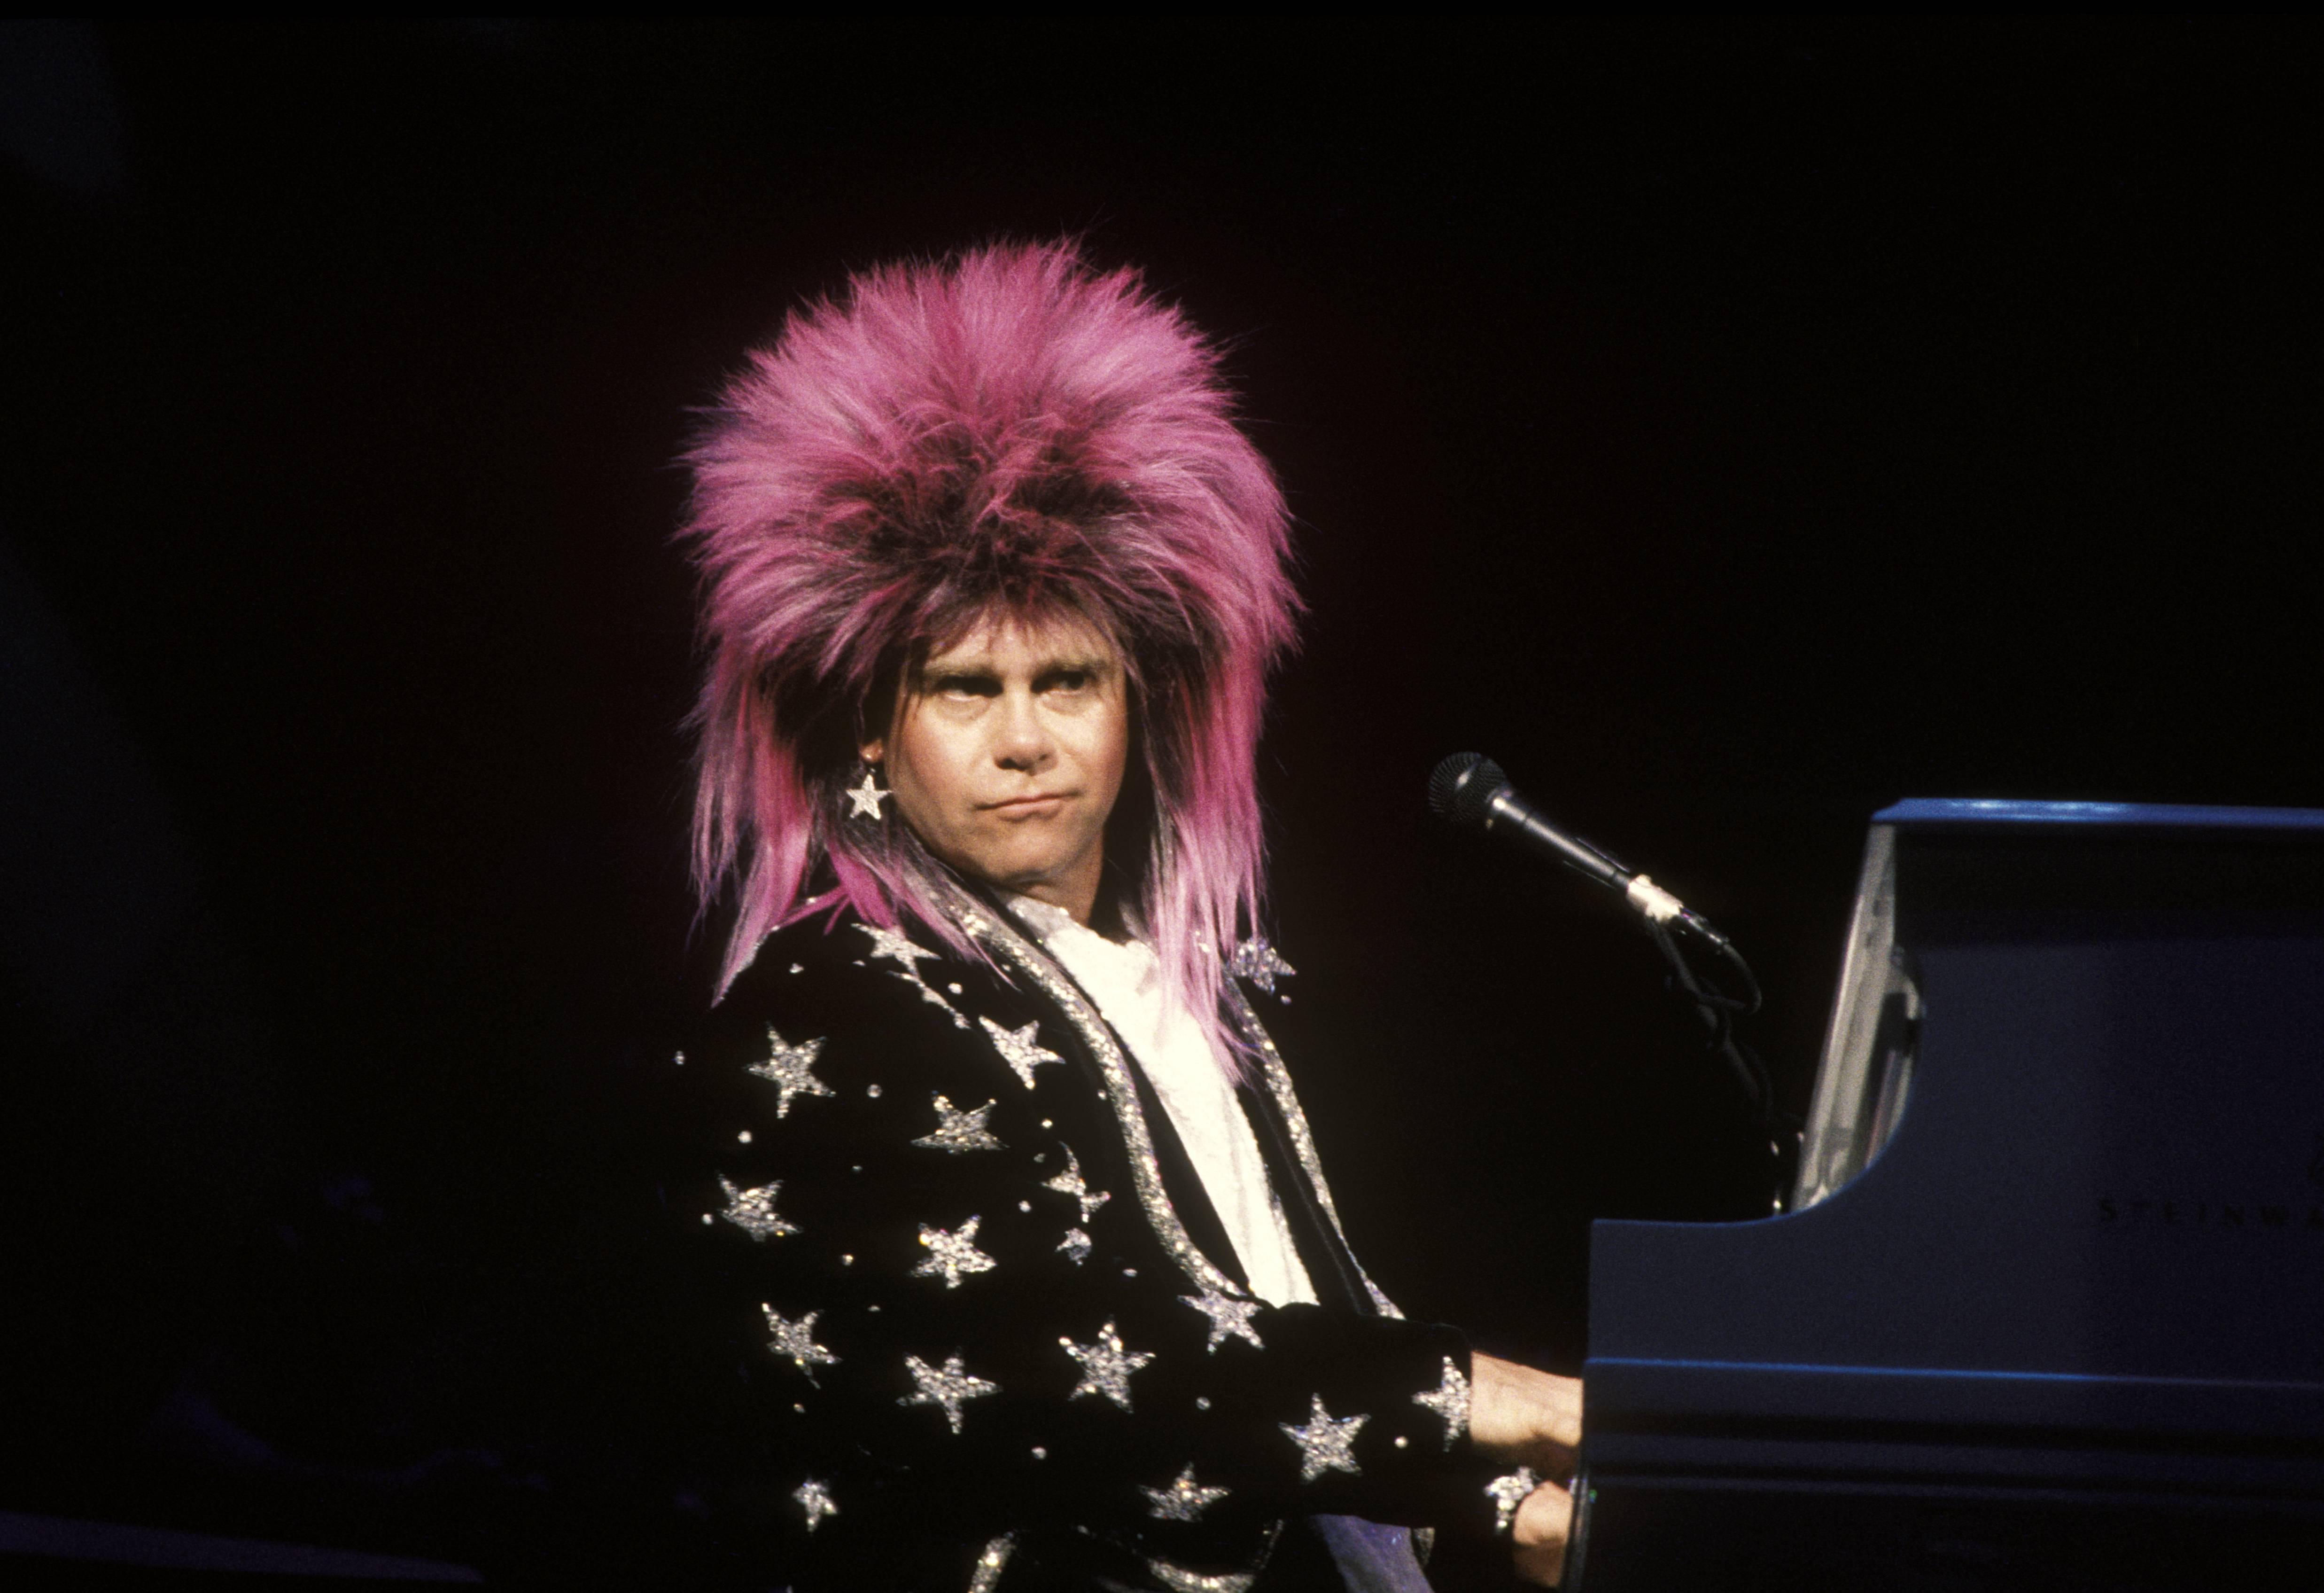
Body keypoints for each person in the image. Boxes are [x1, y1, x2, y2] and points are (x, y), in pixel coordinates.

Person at [667, 242, 1579, 1592]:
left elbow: (1275, 1326)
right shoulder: (834, 994)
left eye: (1070, 680)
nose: (1024, 740)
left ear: (1139, 705)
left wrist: (1501, 1504)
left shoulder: (1184, 985)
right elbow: (1051, 1359)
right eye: (964, 688)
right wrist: (1489, 1400)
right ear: (870, 728)